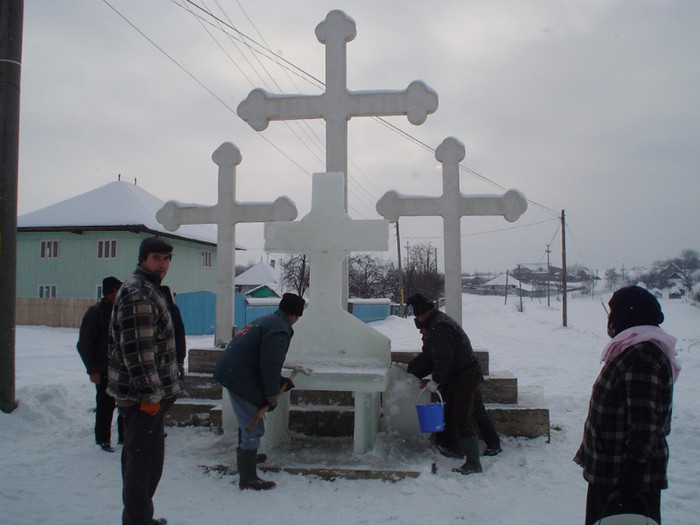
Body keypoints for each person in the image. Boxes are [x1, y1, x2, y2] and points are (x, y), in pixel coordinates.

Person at [574, 286, 681, 525]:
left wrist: (632, 476)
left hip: (624, 477)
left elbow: (645, 424)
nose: (611, 319)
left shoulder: (642, 356)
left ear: (631, 315)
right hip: (613, 470)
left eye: (615, 312)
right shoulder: (634, 349)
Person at [108, 237, 182, 525]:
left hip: (145, 396)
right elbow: (139, 350)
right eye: (156, 258)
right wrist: (151, 396)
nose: (162, 265)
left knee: (142, 463)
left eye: (166, 259)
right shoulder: (139, 292)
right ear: (143, 259)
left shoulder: (148, 288)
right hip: (143, 398)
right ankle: (138, 522)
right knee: (143, 466)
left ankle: (139, 518)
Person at [213, 292, 305, 491]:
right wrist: (272, 393)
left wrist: (279, 381)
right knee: (253, 426)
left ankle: (249, 456)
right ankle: (248, 478)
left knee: (248, 420)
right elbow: (270, 363)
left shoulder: (267, 320)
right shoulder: (281, 329)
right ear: (294, 316)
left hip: (232, 371)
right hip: (238, 376)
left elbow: (260, 357)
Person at [406, 293, 484, 475]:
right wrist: (414, 370)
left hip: (466, 375)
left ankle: (474, 463)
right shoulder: (437, 323)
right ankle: (458, 449)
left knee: (462, 417)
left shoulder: (439, 327)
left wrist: (435, 380)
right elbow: (431, 356)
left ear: (423, 314)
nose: (417, 322)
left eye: (417, 317)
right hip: (461, 373)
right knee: (461, 413)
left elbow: (443, 360)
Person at [76, 275, 124, 452]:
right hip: (104, 369)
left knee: (124, 405)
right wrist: (92, 370)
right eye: (117, 292)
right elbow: (84, 344)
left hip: (122, 369)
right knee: (105, 407)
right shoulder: (96, 313)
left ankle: (125, 439)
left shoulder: (122, 310)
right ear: (109, 294)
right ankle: (103, 441)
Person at [160, 285, 186, 382]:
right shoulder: (173, 310)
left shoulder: (171, 310)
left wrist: (180, 360)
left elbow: (179, 334)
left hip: (169, 355)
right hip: (170, 355)